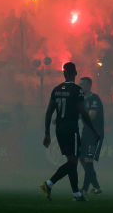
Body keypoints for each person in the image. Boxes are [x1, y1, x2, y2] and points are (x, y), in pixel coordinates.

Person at [39, 62, 100, 202]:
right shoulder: (77, 90)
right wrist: (93, 130)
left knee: (71, 161)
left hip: (59, 129)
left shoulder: (56, 89)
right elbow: (83, 112)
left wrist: (47, 133)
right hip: (71, 129)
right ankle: (48, 184)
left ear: (64, 74)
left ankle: (77, 195)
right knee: (73, 162)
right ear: (75, 73)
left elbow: (49, 112)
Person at [77, 76, 104, 194]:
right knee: (82, 159)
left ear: (88, 86)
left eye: (82, 84)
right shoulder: (81, 99)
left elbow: (92, 115)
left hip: (95, 133)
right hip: (86, 132)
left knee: (88, 160)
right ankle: (95, 187)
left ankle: (85, 189)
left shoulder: (94, 99)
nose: (80, 86)